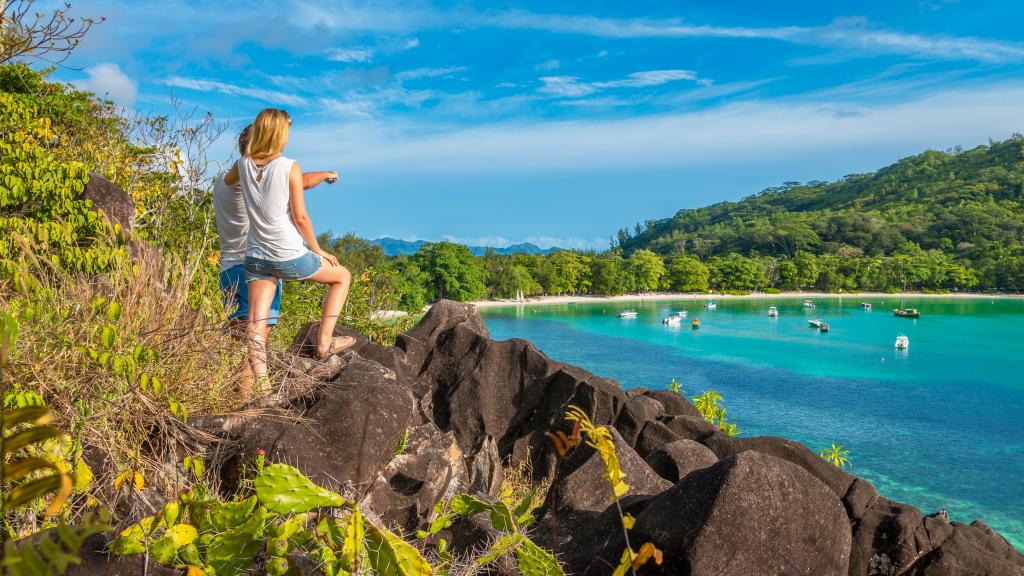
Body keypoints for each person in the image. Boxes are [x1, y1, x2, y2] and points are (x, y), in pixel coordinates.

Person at [223, 109, 354, 384]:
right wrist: (317, 250)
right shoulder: (289, 166)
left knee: (256, 326)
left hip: (256, 257)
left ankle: (263, 383)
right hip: (288, 255)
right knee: (342, 276)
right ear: (280, 133)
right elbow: (301, 217)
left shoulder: (243, 165)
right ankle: (324, 343)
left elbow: (228, 181)